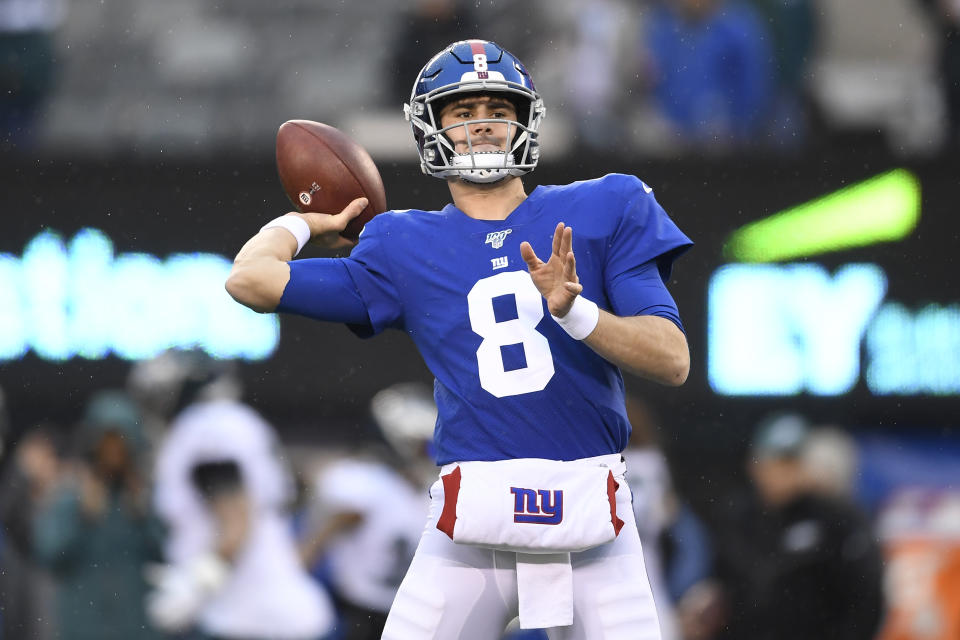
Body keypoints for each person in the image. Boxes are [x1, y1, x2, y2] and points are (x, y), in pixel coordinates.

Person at [226, 39, 692, 639]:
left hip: (593, 516)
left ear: (524, 120)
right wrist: (307, 219)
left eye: (496, 109)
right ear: (431, 128)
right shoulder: (400, 244)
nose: (482, 126)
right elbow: (249, 279)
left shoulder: (606, 205)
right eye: (461, 112)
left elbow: (672, 358)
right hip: (472, 518)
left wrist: (576, 314)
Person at [136, 350, 336, 640]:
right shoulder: (233, 422)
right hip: (270, 615)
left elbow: (236, 522)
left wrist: (195, 583)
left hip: (251, 621)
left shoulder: (205, 426)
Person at [701, 413, 885, 640]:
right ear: (754, 465)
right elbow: (723, 587)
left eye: (791, 462)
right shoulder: (736, 517)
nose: (783, 472)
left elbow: (865, 598)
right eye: (775, 461)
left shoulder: (837, 519)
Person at [32, 390, 165, 640]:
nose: (113, 455)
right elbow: (50, 555)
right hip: (84, 626)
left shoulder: (145, 496)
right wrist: (82, 514)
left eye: (120, 446)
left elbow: (167, 555)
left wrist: (142, 512)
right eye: (107, 445)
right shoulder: (71, 493)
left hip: (137, 626)